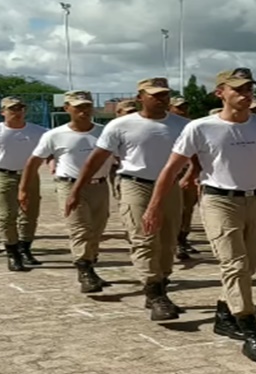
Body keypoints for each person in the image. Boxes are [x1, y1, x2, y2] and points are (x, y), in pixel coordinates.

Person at [141, 67, 256, 362]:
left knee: (252, 263)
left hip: (255, 200)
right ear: (220, 93)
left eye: (248, 89)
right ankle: (250, 326)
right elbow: (170, 169)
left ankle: (223, 314)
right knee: (234, 263)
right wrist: (154, 206)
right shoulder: (201, 128)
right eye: (238, 89)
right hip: (218, 200)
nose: (245, 94)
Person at [65, 77, 189, 321]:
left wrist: (193, 176)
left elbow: (197, 154)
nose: (161, 98)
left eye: (165, 94)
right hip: (136, 185)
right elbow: (96, 159)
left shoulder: (183, 125)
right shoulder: (121, 125)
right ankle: (155, 293)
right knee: (144, 238)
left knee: (168, 241)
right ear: (140, 96)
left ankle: (160, 283)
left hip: (170, 188)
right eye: (155, 94)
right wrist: (76, 189)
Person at [19, 91, 112, 293]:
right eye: (78, 107)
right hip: (69, 186)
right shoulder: (54, 135)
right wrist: (24, 189)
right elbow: (33, 162)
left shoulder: (105, 132)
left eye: (87, 106)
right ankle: (84, 270)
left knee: (97, 229)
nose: (83, 111)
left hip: (100, 186)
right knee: (80, 229)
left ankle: (90, 264)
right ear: (66, 108)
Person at [0, 97, 46, 271]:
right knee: (6, 215)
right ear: (3, 112)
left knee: (30, 214)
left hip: (29, 176)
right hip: (3, 175)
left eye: (20, 108)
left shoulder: (39, 132)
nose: (17, 112)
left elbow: (50, 153)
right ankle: (12, 253)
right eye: (12, 109)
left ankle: (25, 248)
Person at [168, 96, 200, 260]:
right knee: (174, 209)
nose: (183, 110)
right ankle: (172, 241)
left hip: (189, 170)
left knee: (187, 208)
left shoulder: (193, 126)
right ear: (170, 108)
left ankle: (182, 238)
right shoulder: (167, 126)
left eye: (185, 107)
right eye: (179, 107)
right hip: (173, 172)